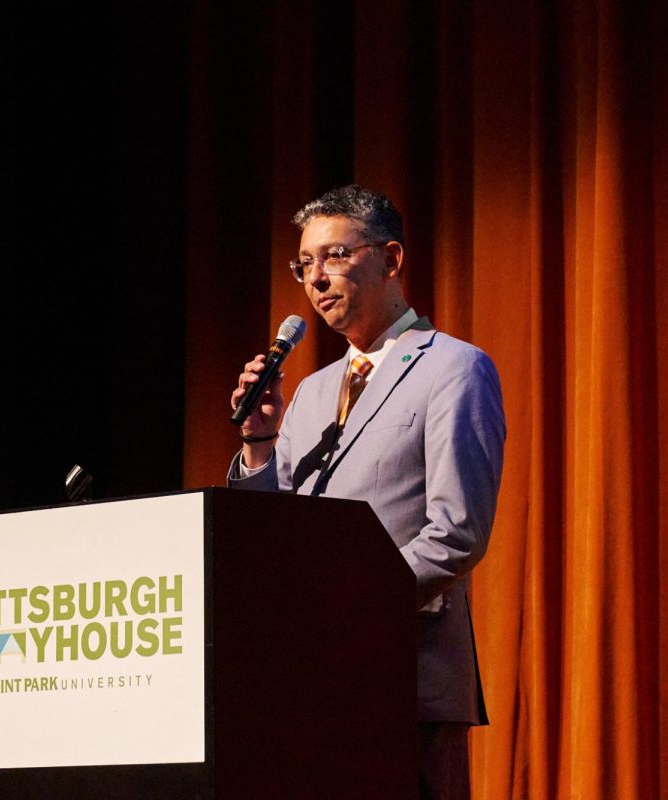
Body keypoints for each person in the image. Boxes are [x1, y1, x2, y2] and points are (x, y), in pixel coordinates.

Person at [228, 185, 506, 799]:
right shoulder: (310, 391)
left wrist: (349, 614)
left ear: (391, 259)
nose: (317, 279)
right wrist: (260, 442)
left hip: (406, 675)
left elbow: (457, 531)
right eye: (305, 265)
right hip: (310, 681)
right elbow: (277, 534)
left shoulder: (453, 368)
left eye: (335, 256)